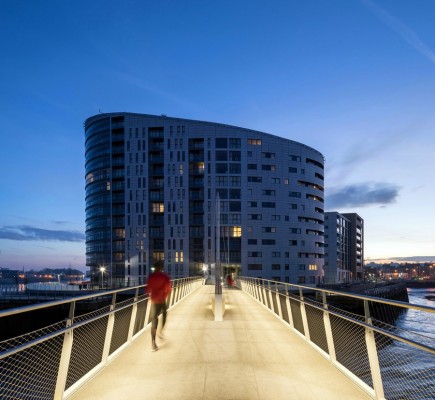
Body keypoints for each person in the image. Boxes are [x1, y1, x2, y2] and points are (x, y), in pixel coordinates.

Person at [147, 260, 172, 352]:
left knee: (154, 320)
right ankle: (161, 331)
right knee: (165, 314)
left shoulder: (151, 277)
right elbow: (169, 288)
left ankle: (153, 343)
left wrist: (152, 295)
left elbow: (148, 289)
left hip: (154, 300)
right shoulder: (164, 276)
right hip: (161, 300)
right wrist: (164, 294)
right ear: (161, 267)